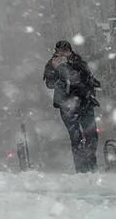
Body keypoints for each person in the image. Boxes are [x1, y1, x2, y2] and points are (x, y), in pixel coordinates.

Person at [43, 40, 101, 173]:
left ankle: (91, 165)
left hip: (84, 101)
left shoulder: (78, 61)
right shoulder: (52, 64)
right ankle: (82, 169)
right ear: (56, 51)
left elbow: (88, 77)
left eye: (65, 50)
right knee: (76, 137)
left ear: (70, 50)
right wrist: (54, 69)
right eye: (60, 50)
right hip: (67, 105)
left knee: (91, 135)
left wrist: (90, 86)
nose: (63, 53)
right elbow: (50, 84)